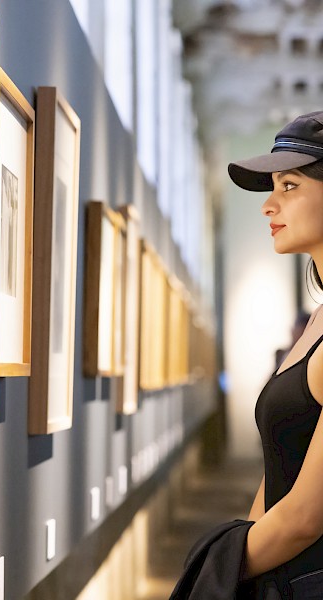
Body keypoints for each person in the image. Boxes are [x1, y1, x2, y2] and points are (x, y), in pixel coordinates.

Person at [171, 111, 323, 599]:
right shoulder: (317, 320)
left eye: (290, 186)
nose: (268, 205)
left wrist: (218, 566)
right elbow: (281, 467)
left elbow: (305, 517)